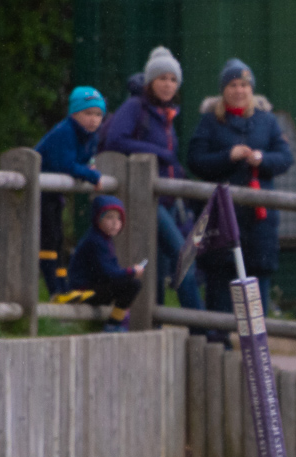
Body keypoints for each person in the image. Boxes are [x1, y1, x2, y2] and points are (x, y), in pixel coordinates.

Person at [188, 58, 294, 330]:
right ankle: (217, 340)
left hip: (259, 220)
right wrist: (228, 156)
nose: (239, 90)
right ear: (224, 89)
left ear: (252, 89)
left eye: (244, 85)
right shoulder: (210, 122)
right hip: (222, 217)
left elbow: (285, 158)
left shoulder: (267, 121)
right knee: (220, 277)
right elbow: (196, 160)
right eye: (233, 84)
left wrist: (263, 159)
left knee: (258, 278)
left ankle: (258, 344)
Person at [101, 46, 206, 315]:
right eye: (162, 79)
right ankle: (202, 326)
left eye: (173, 79)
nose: (168, 84)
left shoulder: (167, 114)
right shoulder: (135, 107)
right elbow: (115, 139)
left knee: (157, 267)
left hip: (169, 199)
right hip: (146, 198)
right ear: (150, 81)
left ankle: (157, 321)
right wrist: (160, 153)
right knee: (185, 256)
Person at [35, 86, 106, 298]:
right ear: (74, 113)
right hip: (40, 192)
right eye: (88, 114)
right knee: (49, 239)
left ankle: (64, 287)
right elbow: (65, 164)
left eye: (98, 114)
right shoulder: (65, 132)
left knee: (58, 239)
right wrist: (92, 176)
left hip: (54, 194)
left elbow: (84, 159)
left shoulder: (90, 135)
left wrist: (89, 168)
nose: (93, 120)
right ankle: (55, 289)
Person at [67, 196, 145, 332]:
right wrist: (131, 272)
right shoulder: (96, 241)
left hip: (94, 287)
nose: (115, 223)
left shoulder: (103, 239)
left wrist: (127, 274)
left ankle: (117, 320)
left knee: (129, 284)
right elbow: (108, 273)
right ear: (97, 218)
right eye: (109, 217)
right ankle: (113, 323)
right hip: (84, 292)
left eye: (118, 218)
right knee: (133, 285)